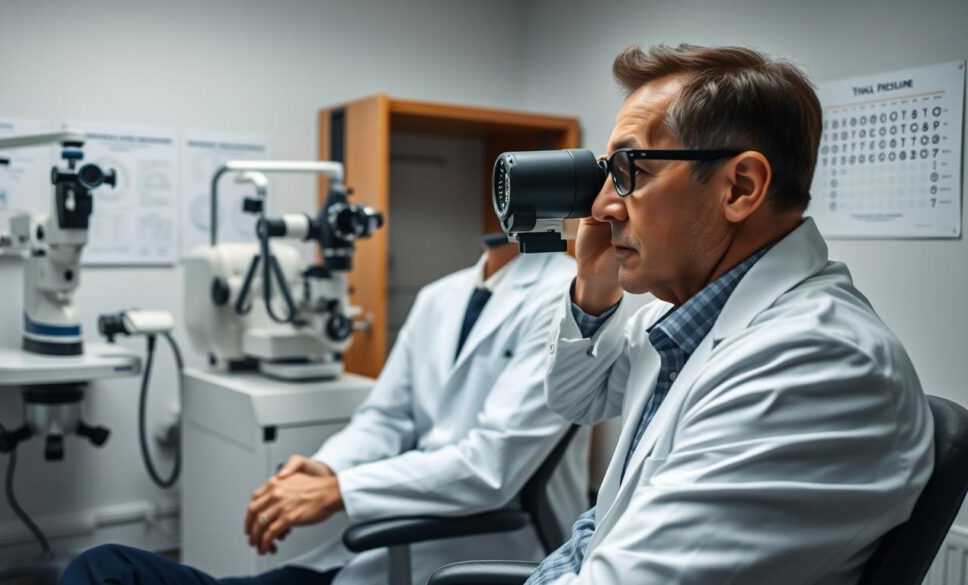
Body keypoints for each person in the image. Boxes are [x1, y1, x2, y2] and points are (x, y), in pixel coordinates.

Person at [526, 44, 934, 584]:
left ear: (740, 188)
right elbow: (578, 398)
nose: (600, 206)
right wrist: (595, 284)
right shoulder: (685, 318)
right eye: (609, 172)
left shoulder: (816, 366)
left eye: (632, 171)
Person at [61, 236, 587, 585]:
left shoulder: (568, 301)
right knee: (103, 566)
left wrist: (339, 492)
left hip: (464, 550)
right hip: (373, 547)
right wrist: (328, 467)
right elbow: (387, 416)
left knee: (107, 572)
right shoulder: (440, 296)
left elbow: (488, 468)